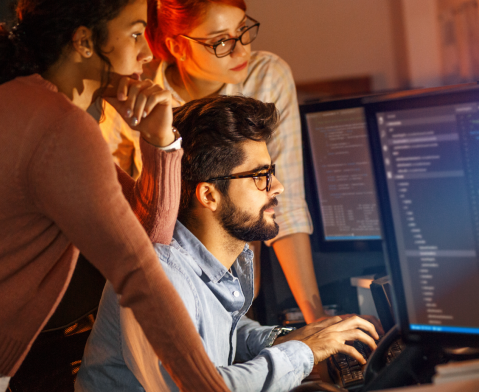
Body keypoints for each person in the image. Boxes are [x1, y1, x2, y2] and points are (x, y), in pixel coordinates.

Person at [0, 0, 230, 391]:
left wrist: (159, 140)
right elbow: (142, 274)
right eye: (135, 34)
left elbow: (149, 236)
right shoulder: (57, 127)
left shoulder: (38, 106)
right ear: (84, 42)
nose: (148, 53)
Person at [76, 95, 379, 392]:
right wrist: (303, 352)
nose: (278, 187)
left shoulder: (213, 258)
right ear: (209, 195)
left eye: (270, 173)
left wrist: (289, 338)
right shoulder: (161, 273)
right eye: (260, 176)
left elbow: (220, 334)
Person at [99, 0, 358, 326]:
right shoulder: (140, 95)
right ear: (176, 45)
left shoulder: (267, 77)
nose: (241, 50)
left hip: (241, 284)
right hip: (160, 278)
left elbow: (284, 202)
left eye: (243, 31)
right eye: (220, 41)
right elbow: (108, 200)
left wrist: (315, 316)